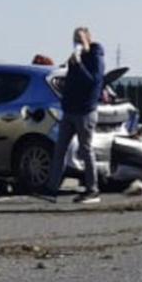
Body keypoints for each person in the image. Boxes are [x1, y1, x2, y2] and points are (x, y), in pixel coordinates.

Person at [51, 27, 105, 204]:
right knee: (60, 149)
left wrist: (79, 65)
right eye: (75, 39)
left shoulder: (96, 57)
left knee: (85, 150)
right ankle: (51, 188)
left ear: (89, 40)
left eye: (80, 40)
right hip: (70, 111)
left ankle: (92, 189)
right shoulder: (74, 59)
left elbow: (92, 81)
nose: (77, 43)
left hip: (85, 112)